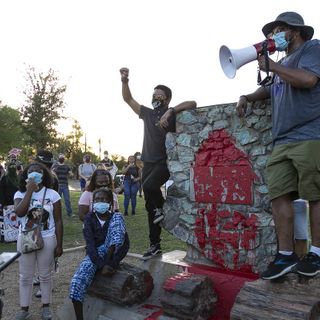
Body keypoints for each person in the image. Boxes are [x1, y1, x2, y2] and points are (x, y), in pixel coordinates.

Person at [236, 11, 320, 279]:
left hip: (310, 134)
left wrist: (272, 66)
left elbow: (308, 80)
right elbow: (270, 89)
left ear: (294, 31)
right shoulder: (281, 63)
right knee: (279, 196)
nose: (272, 36)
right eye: (270, 33)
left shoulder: (312, 49)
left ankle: (317, 254)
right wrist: (247, 96)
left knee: (315, 196)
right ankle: (286, 255)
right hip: (281, 140)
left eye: (277, 30)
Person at [120, 67, 197, 260]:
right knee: (149, 207)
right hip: (147, 162)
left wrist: (171, 111)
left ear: (167, 99)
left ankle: (162, 210)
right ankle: (155, 245)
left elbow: (193, 103)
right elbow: (128, 100)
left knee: (150, 187)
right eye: (154, 94)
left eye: (160, 95)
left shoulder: (171, 113)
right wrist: (125, 81)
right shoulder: (147, 113)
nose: (156, 97)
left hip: (165, 162)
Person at [70, 188, 129, 320]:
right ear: (92, 203)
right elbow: (90, 245)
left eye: (104, 199)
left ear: (110, 203)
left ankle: (108, 262)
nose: (100, 202)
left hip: (113, 253)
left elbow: (124, 244)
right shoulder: (89, 218)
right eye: (97, 199)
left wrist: (111, 264)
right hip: (95, 254)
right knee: (76, 283)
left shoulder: (115, 218)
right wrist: (101, 265)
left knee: (118, 219)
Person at [13, 162, 63, 320]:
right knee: (25, 276)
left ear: (44, 175)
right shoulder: (19, 193)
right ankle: (24, 309)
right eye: (31, 172)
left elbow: (59, 220)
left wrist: (59, 244)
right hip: (26, 237)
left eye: (38, 171)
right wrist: (29, 191)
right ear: (26, 176)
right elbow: (20, 212)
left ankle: (46, 306)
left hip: (47, 237)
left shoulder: (53, 194)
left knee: (45, 275)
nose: (35, 174)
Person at [0, 160, 20, 242]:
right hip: (7, 203)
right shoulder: (4, 179)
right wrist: (3, 203)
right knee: (7, 221)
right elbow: (1, 192)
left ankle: (15, 236)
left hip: (16, 203)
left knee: (16, 221)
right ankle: (7, 236)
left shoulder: (18, 178)